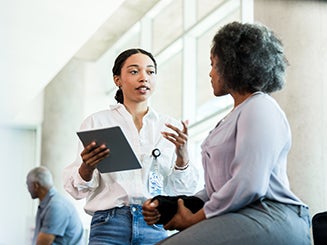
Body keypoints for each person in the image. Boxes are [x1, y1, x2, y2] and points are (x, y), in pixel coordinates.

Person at [142, 22, 311, 244]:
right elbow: (221, 188)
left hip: (270, 214)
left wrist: (194, 219)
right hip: (240, 214)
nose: (210, 73)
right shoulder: (233, 117)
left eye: (213, 64)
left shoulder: (260, 107)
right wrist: (177, 204)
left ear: (232, 65)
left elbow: (248, 184)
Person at [63, 48, 198, 245]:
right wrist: (87, 167)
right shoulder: (98, 122)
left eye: (150, 72)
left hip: (155, 223)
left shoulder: (171, 127)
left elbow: (183, 189)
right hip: (108, 225)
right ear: (117, 80)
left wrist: (183, 157)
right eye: (134, 71)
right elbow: (77, 190)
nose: (144, 78)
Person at [26, 166, 84, 245]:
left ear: (36, 186)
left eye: (28, 185)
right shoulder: (48, 204)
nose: (28, 188)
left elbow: (43, 243)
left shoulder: (56, 206)